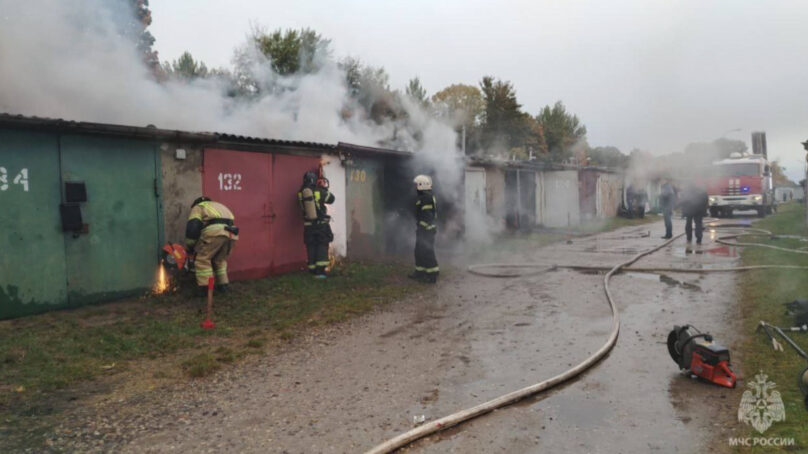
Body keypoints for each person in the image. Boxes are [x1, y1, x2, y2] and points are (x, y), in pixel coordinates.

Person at [185, 196, 239, 294]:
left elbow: (194, 225)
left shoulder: (199, 207)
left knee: (202, 259)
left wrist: (190, 244)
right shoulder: (219, 206)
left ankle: (206, 289)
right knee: (219, 260)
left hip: (215, 233)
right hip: (232, 233)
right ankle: (223, 286)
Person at [298, 171, 335, 278]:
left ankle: (312, 269)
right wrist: (323, 187)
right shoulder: (319, 191)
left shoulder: (301, 193)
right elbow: (331, 199)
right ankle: (321, 272)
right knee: (322, 245)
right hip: (321, 225)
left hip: (308, 225)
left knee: (311, 246)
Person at [410, 175, 439, 284]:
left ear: (422, 185)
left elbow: (427, 216)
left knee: (427, 251)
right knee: (419, 251)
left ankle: (432, 275)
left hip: (426, 230)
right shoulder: (424, 197)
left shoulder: (426, 198)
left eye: (416, 185)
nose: (415, 187)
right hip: (423, 229)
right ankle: (420, 272)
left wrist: (422, 228)